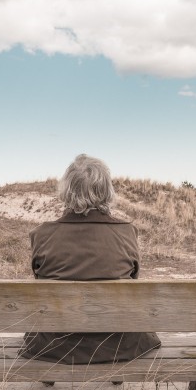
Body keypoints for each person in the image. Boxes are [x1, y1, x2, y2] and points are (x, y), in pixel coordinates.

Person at [19, 154, 161, 365]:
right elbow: (134, 279)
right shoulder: (127, 233)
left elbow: (40, 279)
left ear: (67, 191)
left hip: (56, 346)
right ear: (106, 190)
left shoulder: (42, 234)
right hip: (119, 344)